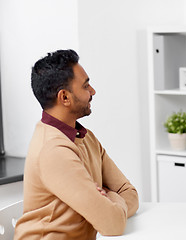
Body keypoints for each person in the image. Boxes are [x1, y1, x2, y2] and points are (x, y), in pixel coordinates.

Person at [14, 49, 139, 239]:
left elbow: (129, 193)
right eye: (86, 86)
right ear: (64, 97)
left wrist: (107, 198)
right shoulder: (53, 150)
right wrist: (108, 201)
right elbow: (112, 224)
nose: (93, 91)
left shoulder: (85, 138)